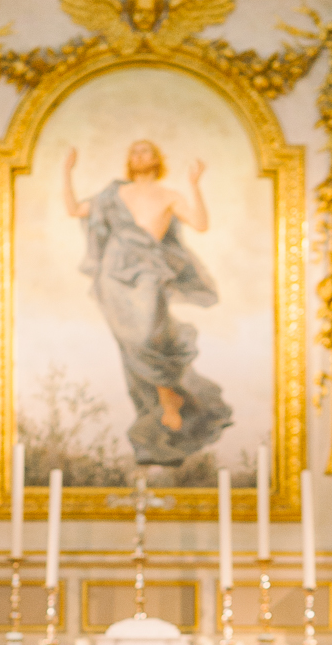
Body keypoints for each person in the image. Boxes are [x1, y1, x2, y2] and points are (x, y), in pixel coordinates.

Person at [64, 140, 232, 467]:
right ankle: (160, 402)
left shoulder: (168, 195)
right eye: (134, 151)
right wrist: (66, 172)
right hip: (113, 276)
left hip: (148, 272)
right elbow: (75, 210)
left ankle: (169, 397)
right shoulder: (112, 195)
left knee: (146, 337)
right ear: (130, 160)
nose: (139, 156)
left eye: (146, 151)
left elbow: (200, 223)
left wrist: (194, 186)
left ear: (157, 159)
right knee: (130, 343)